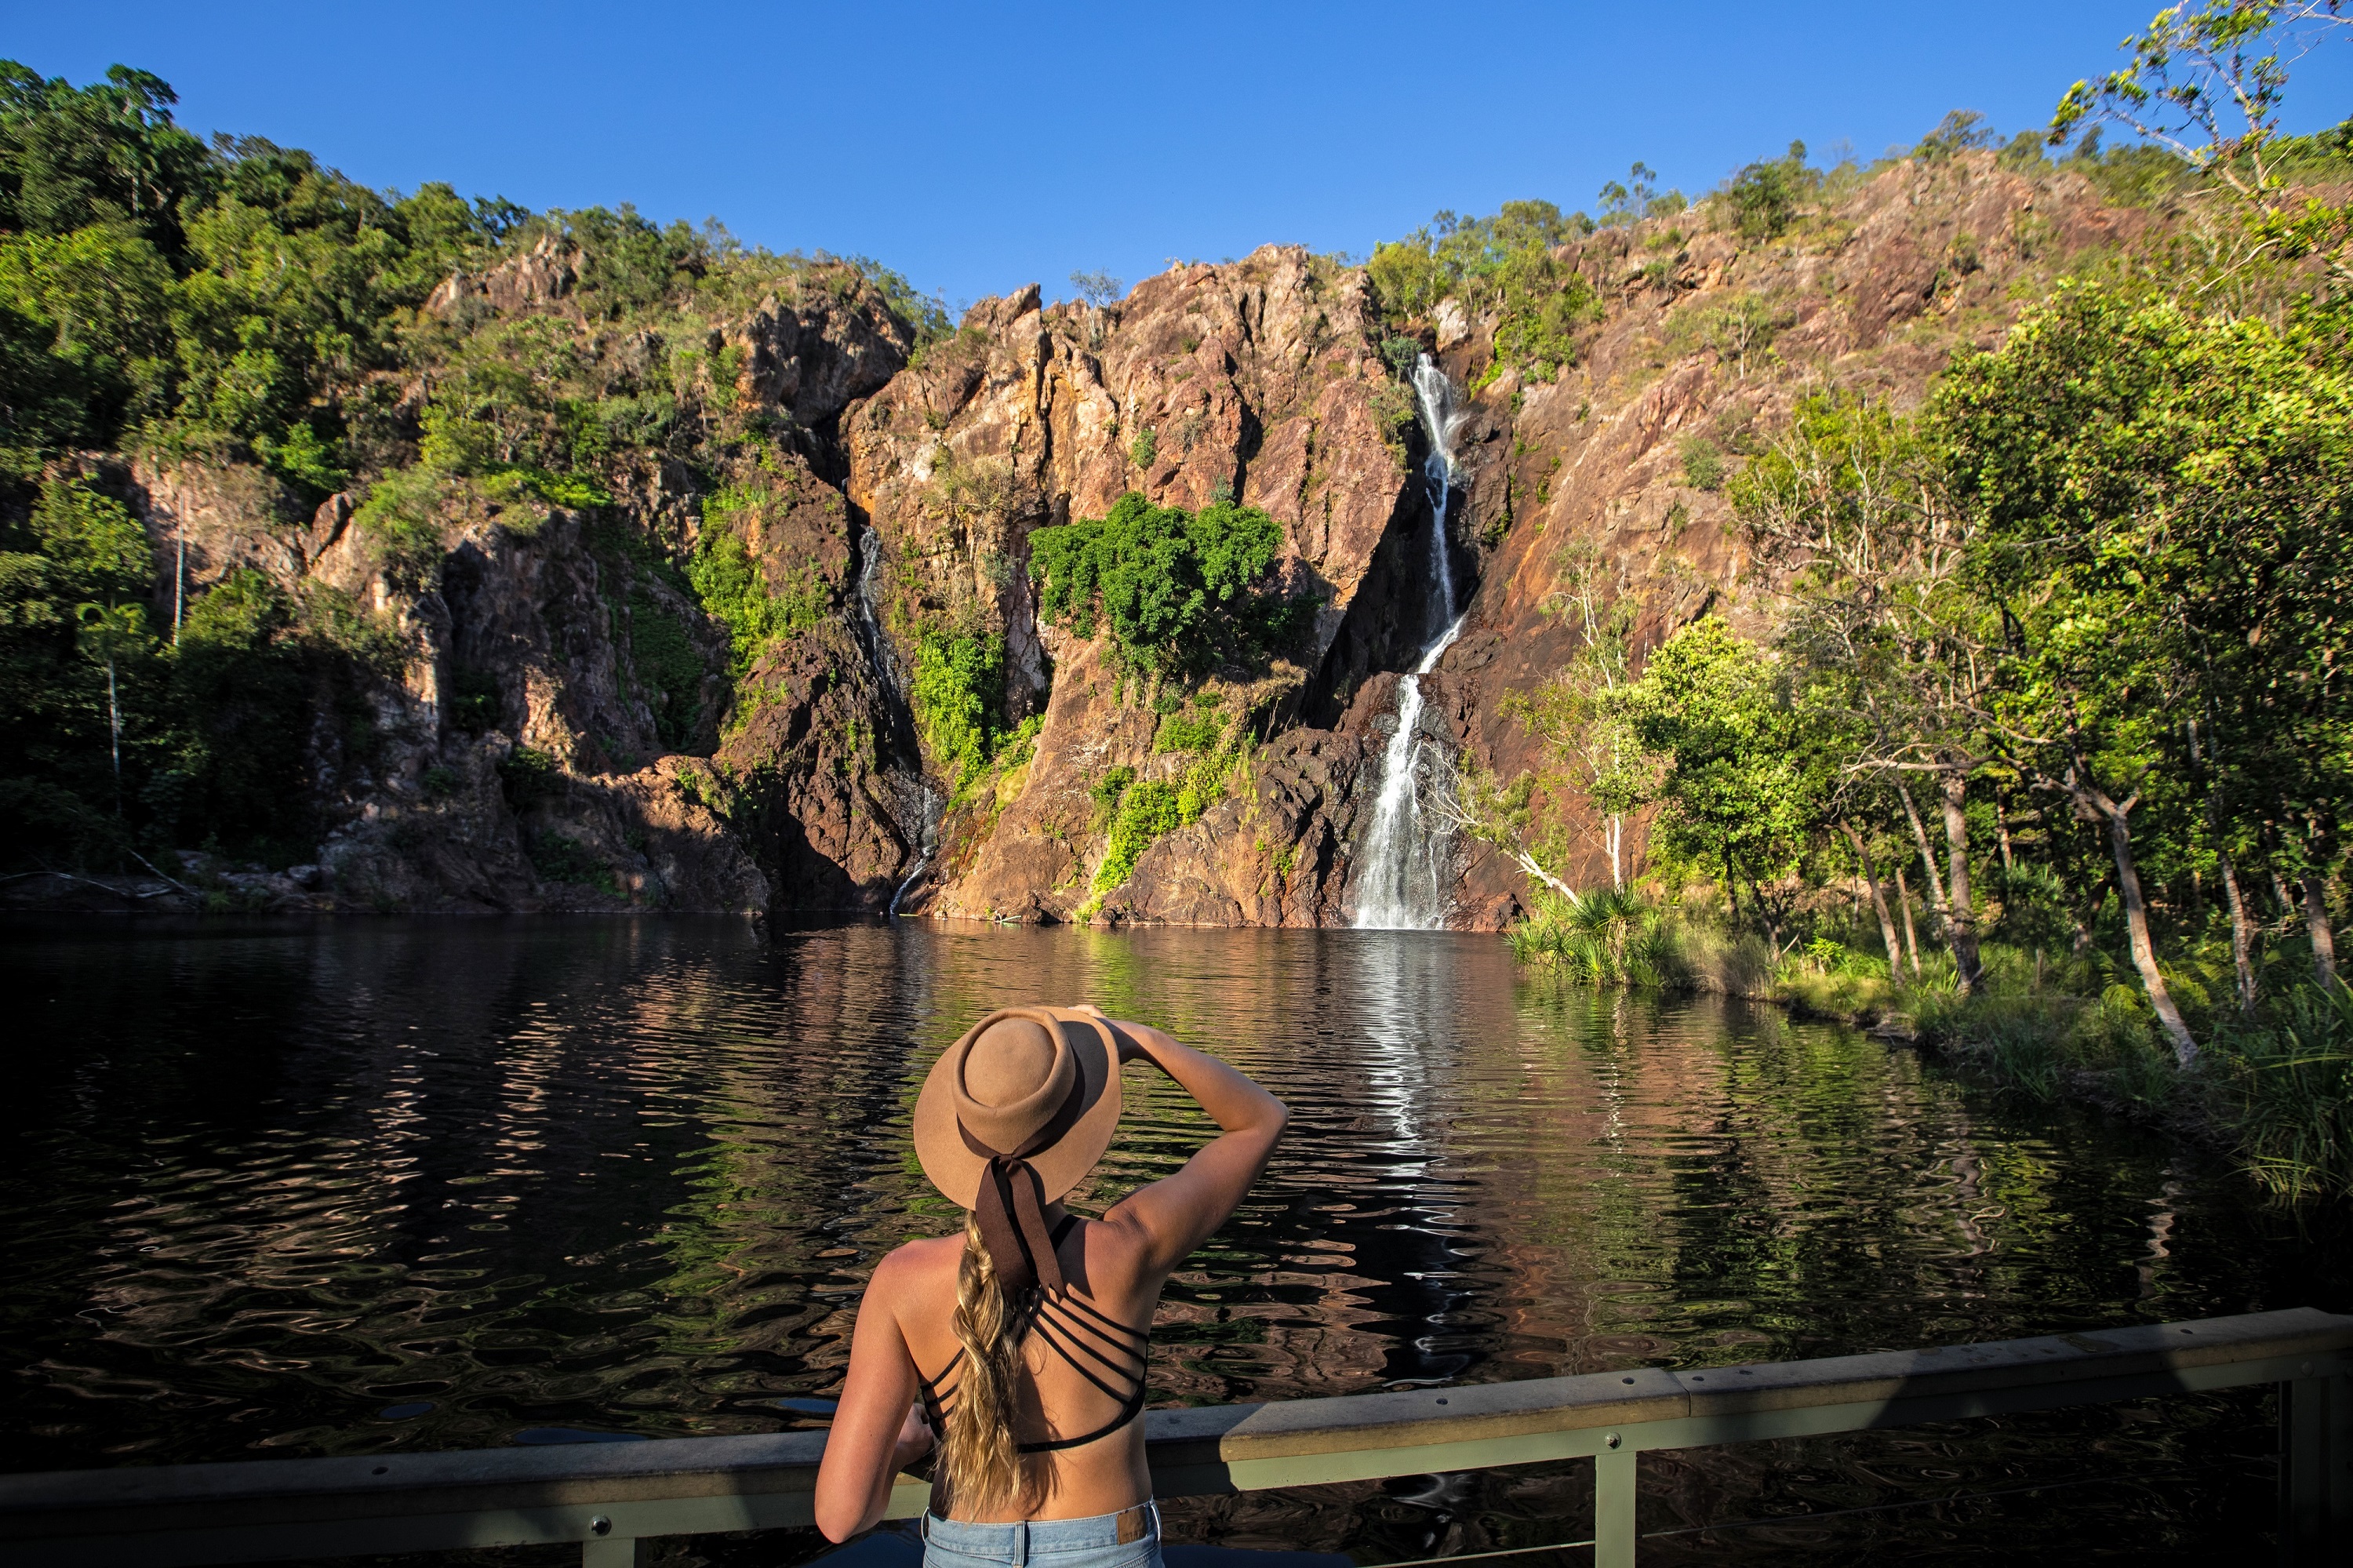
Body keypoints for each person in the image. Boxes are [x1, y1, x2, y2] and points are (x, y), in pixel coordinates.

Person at [814, 1003, 1288, 1566]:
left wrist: (902, 1452)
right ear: (1075, 1129)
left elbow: (841, 1516)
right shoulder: (1130, 1247)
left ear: (960, 1136)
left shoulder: (902, 1281)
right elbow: (1261, 1119)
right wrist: (1136, 1038)